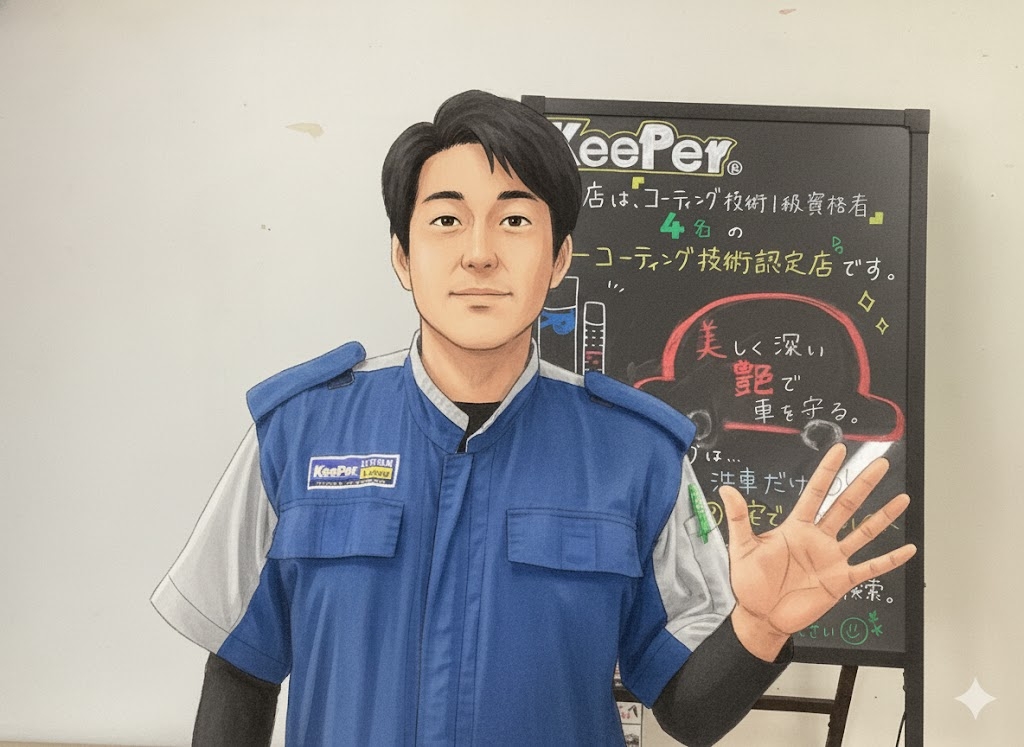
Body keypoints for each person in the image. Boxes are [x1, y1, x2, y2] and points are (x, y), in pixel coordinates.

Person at [152, 90, 916, 746]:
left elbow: (687, 712)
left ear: (558, 259)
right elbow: (240, 671)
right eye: (446, 220)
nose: (480, 253)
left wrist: (762, 627)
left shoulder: (640, 455)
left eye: (515, 221)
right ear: (402, 255)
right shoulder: (296, 433)